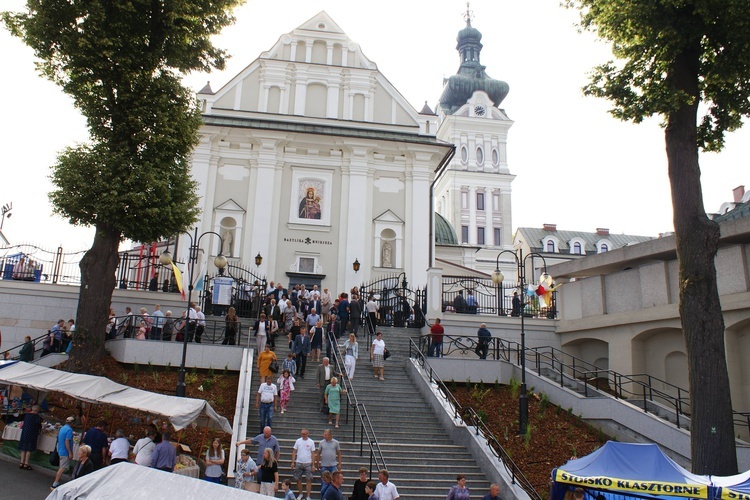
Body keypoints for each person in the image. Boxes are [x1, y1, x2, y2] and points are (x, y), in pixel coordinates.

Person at [291, 428, 316, 500]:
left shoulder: (311, 442)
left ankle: (308, 496)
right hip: (299, 462)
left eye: (304, 434)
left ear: (307, 434)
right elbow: (294, 451)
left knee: (308, 479)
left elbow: (313, 453)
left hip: (308, 462)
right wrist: (293, 462)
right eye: (302, 434)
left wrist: (313, 465)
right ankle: (300, 493)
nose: (303, 435)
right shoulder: (298, 441)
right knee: (298, 479)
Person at [51, 416, 75, 490]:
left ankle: (57, 482)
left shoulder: (62, 428)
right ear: (72, 423)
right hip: (65, 451)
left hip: (60, 450)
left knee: (61, 466)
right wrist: (70, 452)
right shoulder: (69, 430)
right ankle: (55, 483)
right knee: (63, 467)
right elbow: (67, 441)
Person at [18, 404, 43, 470]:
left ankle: (21, 462)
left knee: (23, 448)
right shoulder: (37, 418)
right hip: (32, 434)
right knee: (29, 449)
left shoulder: (26, 415)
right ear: (37, 411)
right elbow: (39, 426)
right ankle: (26, 463)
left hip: (24, 433)